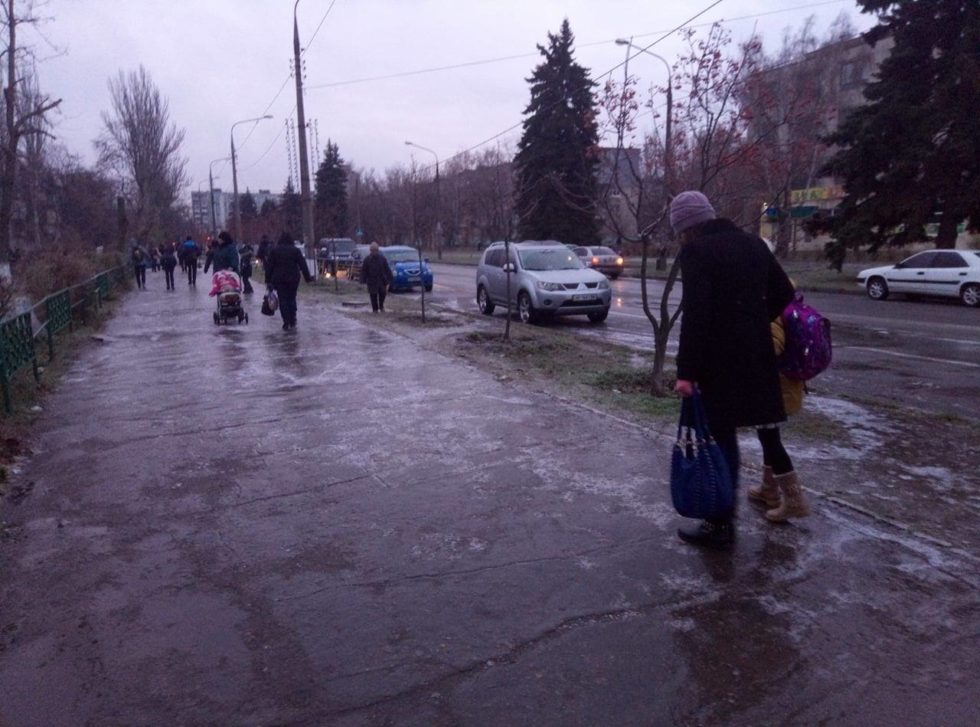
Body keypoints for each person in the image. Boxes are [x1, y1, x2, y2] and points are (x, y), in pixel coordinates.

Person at [671, 190, 795, 550]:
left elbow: (696, 315)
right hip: (757, 354)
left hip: (716, 361)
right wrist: (751, 321)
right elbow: (784, 294)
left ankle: (720, 523)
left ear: (686, 227)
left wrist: (686, 372)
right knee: (743, 431)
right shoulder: (754, 244)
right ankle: (724, 519)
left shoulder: (695, 253)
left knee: (720, 438)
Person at [748, 302, 811, 522]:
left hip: (772, 386)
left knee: (770, 439)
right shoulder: (781, 299)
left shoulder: (768, 304)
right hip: (776, 384)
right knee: (768, 435)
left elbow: (773, 345)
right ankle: (769, 489)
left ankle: (795, 501)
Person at [264, 232, 313, 330]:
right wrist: (307, 277)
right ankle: (293, 318)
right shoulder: (295, 251)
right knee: (292, 298)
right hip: (293, 278)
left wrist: (268, 280)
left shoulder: (275, 251)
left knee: (283, 300)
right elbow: (302, 264)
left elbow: (269, 267)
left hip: (279, 279)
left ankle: (286, 321)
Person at [359, 242, 392, 313]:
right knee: (373, 295)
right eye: (373, 250)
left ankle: (381, 306)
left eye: (376, 250)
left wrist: (389, 278)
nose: (374, 252)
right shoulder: (367, 260)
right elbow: (364, 270)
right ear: (370, 251)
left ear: (378, 250)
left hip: (381, 279)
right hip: (372, 280)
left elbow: (387, 269)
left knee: (382, 293)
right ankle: (375, 309)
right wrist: (362, 280)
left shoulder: (382, 259)